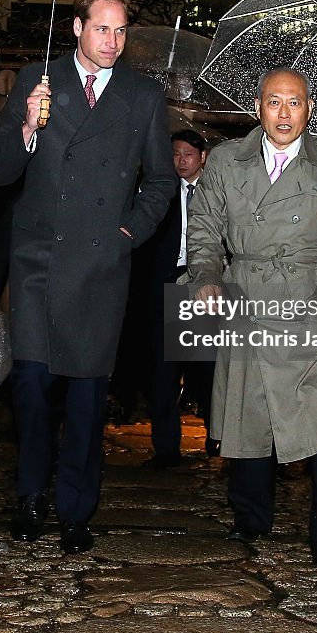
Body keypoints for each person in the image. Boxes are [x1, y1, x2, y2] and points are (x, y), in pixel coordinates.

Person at [0, 0, 177, 553]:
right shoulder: (36, 82)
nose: (112, 42)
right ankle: (29, 498)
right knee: (33, 390)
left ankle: (75, 511)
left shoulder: (142, 96)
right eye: (101, 29)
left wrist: (129, 232)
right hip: (39, 260)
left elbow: (162, 179)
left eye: (120, 32)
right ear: (76, 28)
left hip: (100, 265)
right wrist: (26, 128)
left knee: (88, 400)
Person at [185, 67, 317, 569]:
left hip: (312, 301)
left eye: (295, 103)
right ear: (258, 107)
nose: (285, 113)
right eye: (275, 102)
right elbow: (203, 226)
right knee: (248, 409)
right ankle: (250, 517)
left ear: (308, 109)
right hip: (249, 294)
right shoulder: (227, 160)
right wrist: (206, 275)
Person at [139, 129, 217, 468]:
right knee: (163, 370)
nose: (181, 160)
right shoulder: (160, 191)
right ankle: (166, 448)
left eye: (188, 153)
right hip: (165, 283)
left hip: (204, 283)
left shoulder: (217, 192)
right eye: (175, 154)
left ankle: (219, 438)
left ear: (202, 157)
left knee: (209, 367)